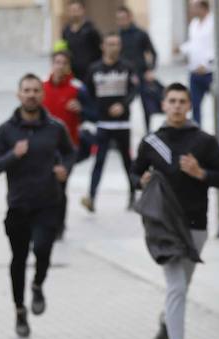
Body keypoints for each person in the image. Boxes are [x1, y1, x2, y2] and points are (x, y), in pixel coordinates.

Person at [132, 82, 219, 339]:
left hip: (195, 225)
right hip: (163, 226)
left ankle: (167, 319)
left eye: (182, 101)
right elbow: (135, 171)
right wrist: (141, 179)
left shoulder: (203, 141)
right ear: (163, 105)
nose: (176, 106)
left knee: (181, 288)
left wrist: (200, 173)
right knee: (176, 287)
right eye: (171, 101)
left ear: (189, 105)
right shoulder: (152, 141)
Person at [0, 73, 75, 339]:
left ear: (42, 94)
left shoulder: (55, 127)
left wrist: (65, 169)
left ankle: (37, 284)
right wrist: (14, 155)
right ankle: (20, 309)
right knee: (19, 259)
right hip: (18, 205)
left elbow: (70, 152)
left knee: (44, 250)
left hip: (49, 202)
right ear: (18, 95)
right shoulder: (6, 130)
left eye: (36, 90)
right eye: (26, 90)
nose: (31, 95)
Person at [82, 32, 136, 213]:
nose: (114, 47)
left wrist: (123, 105)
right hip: (103, 124)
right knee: (99, 161)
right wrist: (93, 113)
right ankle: (91, 197)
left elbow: (135, 90)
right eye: (110, 44)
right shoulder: (94, 69)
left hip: (123, 125)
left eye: (117, 44)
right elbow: (87, 93)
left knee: (127, 162)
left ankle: (133, 196)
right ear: (102, 46)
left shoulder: (127, 67)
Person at [41, 49, 90, 237]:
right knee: (44, 186)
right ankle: (45, 222)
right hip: (44, 146)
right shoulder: (42, 86)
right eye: (57, 62)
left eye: (63, 63)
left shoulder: (78, 88)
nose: (60, 66)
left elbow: (93, 112)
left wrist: (81, 109)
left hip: (68, 147)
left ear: (69, 66)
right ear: (51, 65)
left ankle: (59, 226)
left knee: (61, 186)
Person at [115, 6, 157, 130]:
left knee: (147, 106)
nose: (121, 21)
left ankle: (148, 131)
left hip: (141, 74)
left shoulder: (141, 33)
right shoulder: (117, 36)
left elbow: (153, 53)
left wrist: (150, 70)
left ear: (130, 17)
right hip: (124, 76)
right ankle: (122, 131)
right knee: (123, 105)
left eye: (123, 18)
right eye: (119, 19)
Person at [179, 0, 213, 126]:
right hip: (194, 72)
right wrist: (181, 49)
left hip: (210, 72)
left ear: (202, 7)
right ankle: (196, 131)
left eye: (193, 7)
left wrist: (207, 63)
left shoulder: (213, 23)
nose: (191, 10)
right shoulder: (193, 24)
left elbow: (216, 47)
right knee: (194, 104)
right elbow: (193, 44)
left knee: (216, 104)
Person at [60, 0, 99, 81]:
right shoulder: (66, 31)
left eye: (77, 10)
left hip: (90, 72)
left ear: (83, 10)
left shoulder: (91, 29)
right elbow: (64, 51)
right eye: (72, 10)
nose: (74, 13)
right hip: (72, 73)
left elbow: (99, 50)